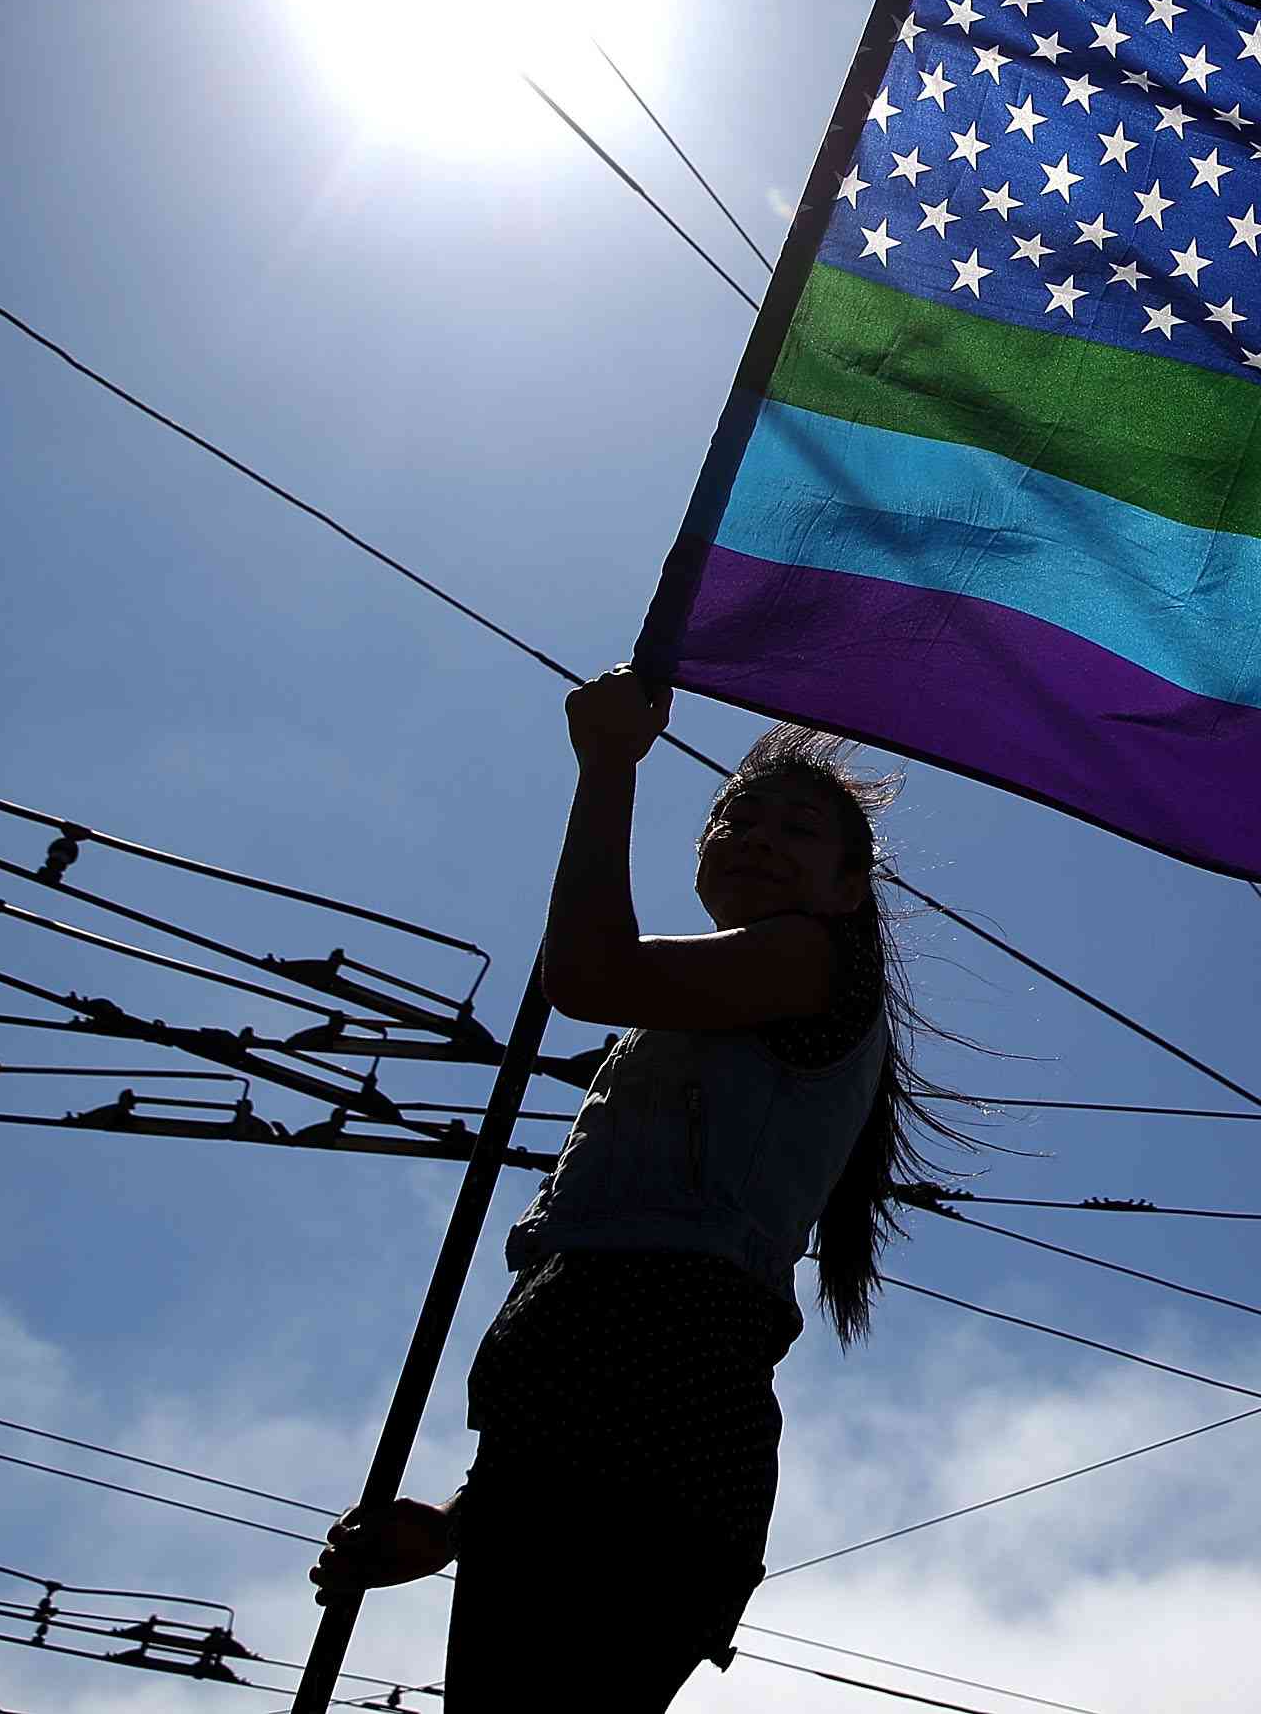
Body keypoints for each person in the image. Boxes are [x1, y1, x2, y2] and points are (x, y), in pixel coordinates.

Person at [310, 667, 982, 1707]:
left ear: (851, 888)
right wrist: (456, 1521)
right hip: (603, 1446)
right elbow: (601, 1382)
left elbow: (588, 973)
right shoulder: (721, 1001)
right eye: (735, 813)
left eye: (796, 828)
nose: (756, 832)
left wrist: (607, 767)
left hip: (642, 1450)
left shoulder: (810, 960)